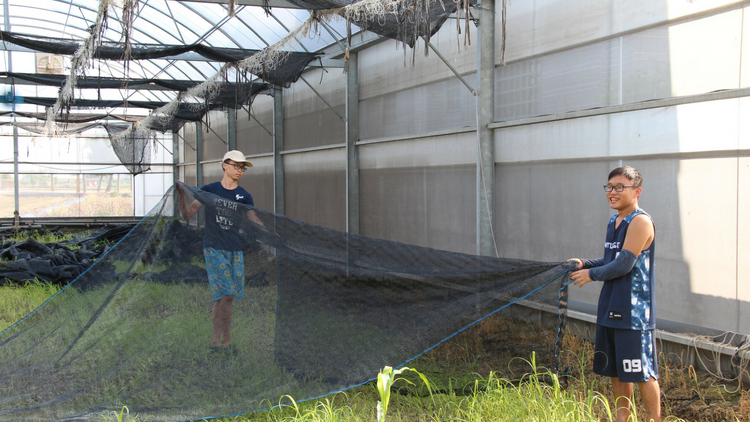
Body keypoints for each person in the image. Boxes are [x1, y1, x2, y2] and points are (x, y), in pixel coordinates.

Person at [569, 166, 660, 422]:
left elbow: (624, 265)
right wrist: (585, 263)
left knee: (642, 373)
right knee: (618, 372)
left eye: (620, 187)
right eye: (609, 187)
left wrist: (591, 275)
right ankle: (622, 419)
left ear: (637, 191)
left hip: (634, 313)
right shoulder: (614, 220)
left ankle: (655, 419)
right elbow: (610, 259)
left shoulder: (640, 221)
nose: (612, 192)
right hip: (610, 308)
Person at [177, 150, 264, 353]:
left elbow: (254, 220)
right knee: (227, 293)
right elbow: (188, 214)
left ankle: (216, 342)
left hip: (235, 249)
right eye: (236, 165)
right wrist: (182, 195)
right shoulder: (209, 190)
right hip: (214, 248)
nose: (239, 170)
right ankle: (226, 341)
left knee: (226, 298)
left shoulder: (244, 195)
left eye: (242, 167)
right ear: (224, 165)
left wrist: (273, 235)